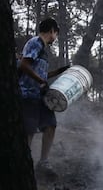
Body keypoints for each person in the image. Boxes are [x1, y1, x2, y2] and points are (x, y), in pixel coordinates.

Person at [18, 17, 70, 176]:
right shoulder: (35, 43)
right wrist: (41, 81)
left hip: (40, 96)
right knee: (29, 130)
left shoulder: (43, 50)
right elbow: (24, 65)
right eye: (56, 34)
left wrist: (61, 71)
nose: (55, 37)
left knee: (50, 125)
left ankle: (43, 163)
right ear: (52, 31)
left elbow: (41, 74)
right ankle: (24, 166)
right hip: (27, 94)